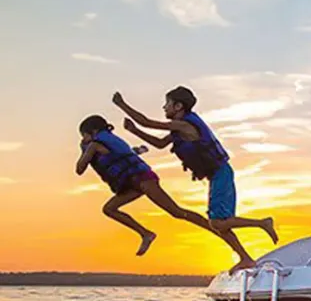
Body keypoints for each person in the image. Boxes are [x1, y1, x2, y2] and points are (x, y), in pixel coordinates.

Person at [111, 87, 278, 273]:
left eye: (167, 104)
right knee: (219, 224)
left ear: (178, 106)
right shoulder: (180, 128)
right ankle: (246, 258)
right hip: (216, 176)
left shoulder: (183, 125)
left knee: (219, 223)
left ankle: (262, 223)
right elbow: (159, 144)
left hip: (221, 173)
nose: (164, 107)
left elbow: (147, 122)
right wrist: (134, 131)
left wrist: (122, 105)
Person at [75, 115, 232, 257]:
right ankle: (146, 234)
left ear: (92, 132)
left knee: (176, 212)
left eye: (84, 136)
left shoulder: (94, 145)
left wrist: (84, 149)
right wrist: (139, 149)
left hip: (144, 180)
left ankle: (217, 230)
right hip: (132, 183)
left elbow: (79, 169)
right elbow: (127, 153)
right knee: (109, 209)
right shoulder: (110, 140)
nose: (83, 140)